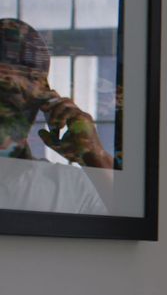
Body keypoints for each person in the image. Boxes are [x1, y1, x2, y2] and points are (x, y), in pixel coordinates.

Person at [0, 17, 109, 214]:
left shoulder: (72, 188)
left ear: (43, 99)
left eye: (12, 95)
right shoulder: (69, 188)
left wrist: (95, 156)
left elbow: (134, 224)